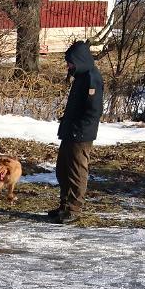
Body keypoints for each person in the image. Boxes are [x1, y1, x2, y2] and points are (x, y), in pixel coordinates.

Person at [52, 41, 104, 224]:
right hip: (70, 131)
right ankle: (64, 205)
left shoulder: (92, 78)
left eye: (70, 62)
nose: (68, 66)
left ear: (80, 60)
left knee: (76, 171)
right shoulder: (80, 77)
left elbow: (93, 111)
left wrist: (78, 128)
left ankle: (74, 209)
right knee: (62, 170)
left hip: (80, 135)